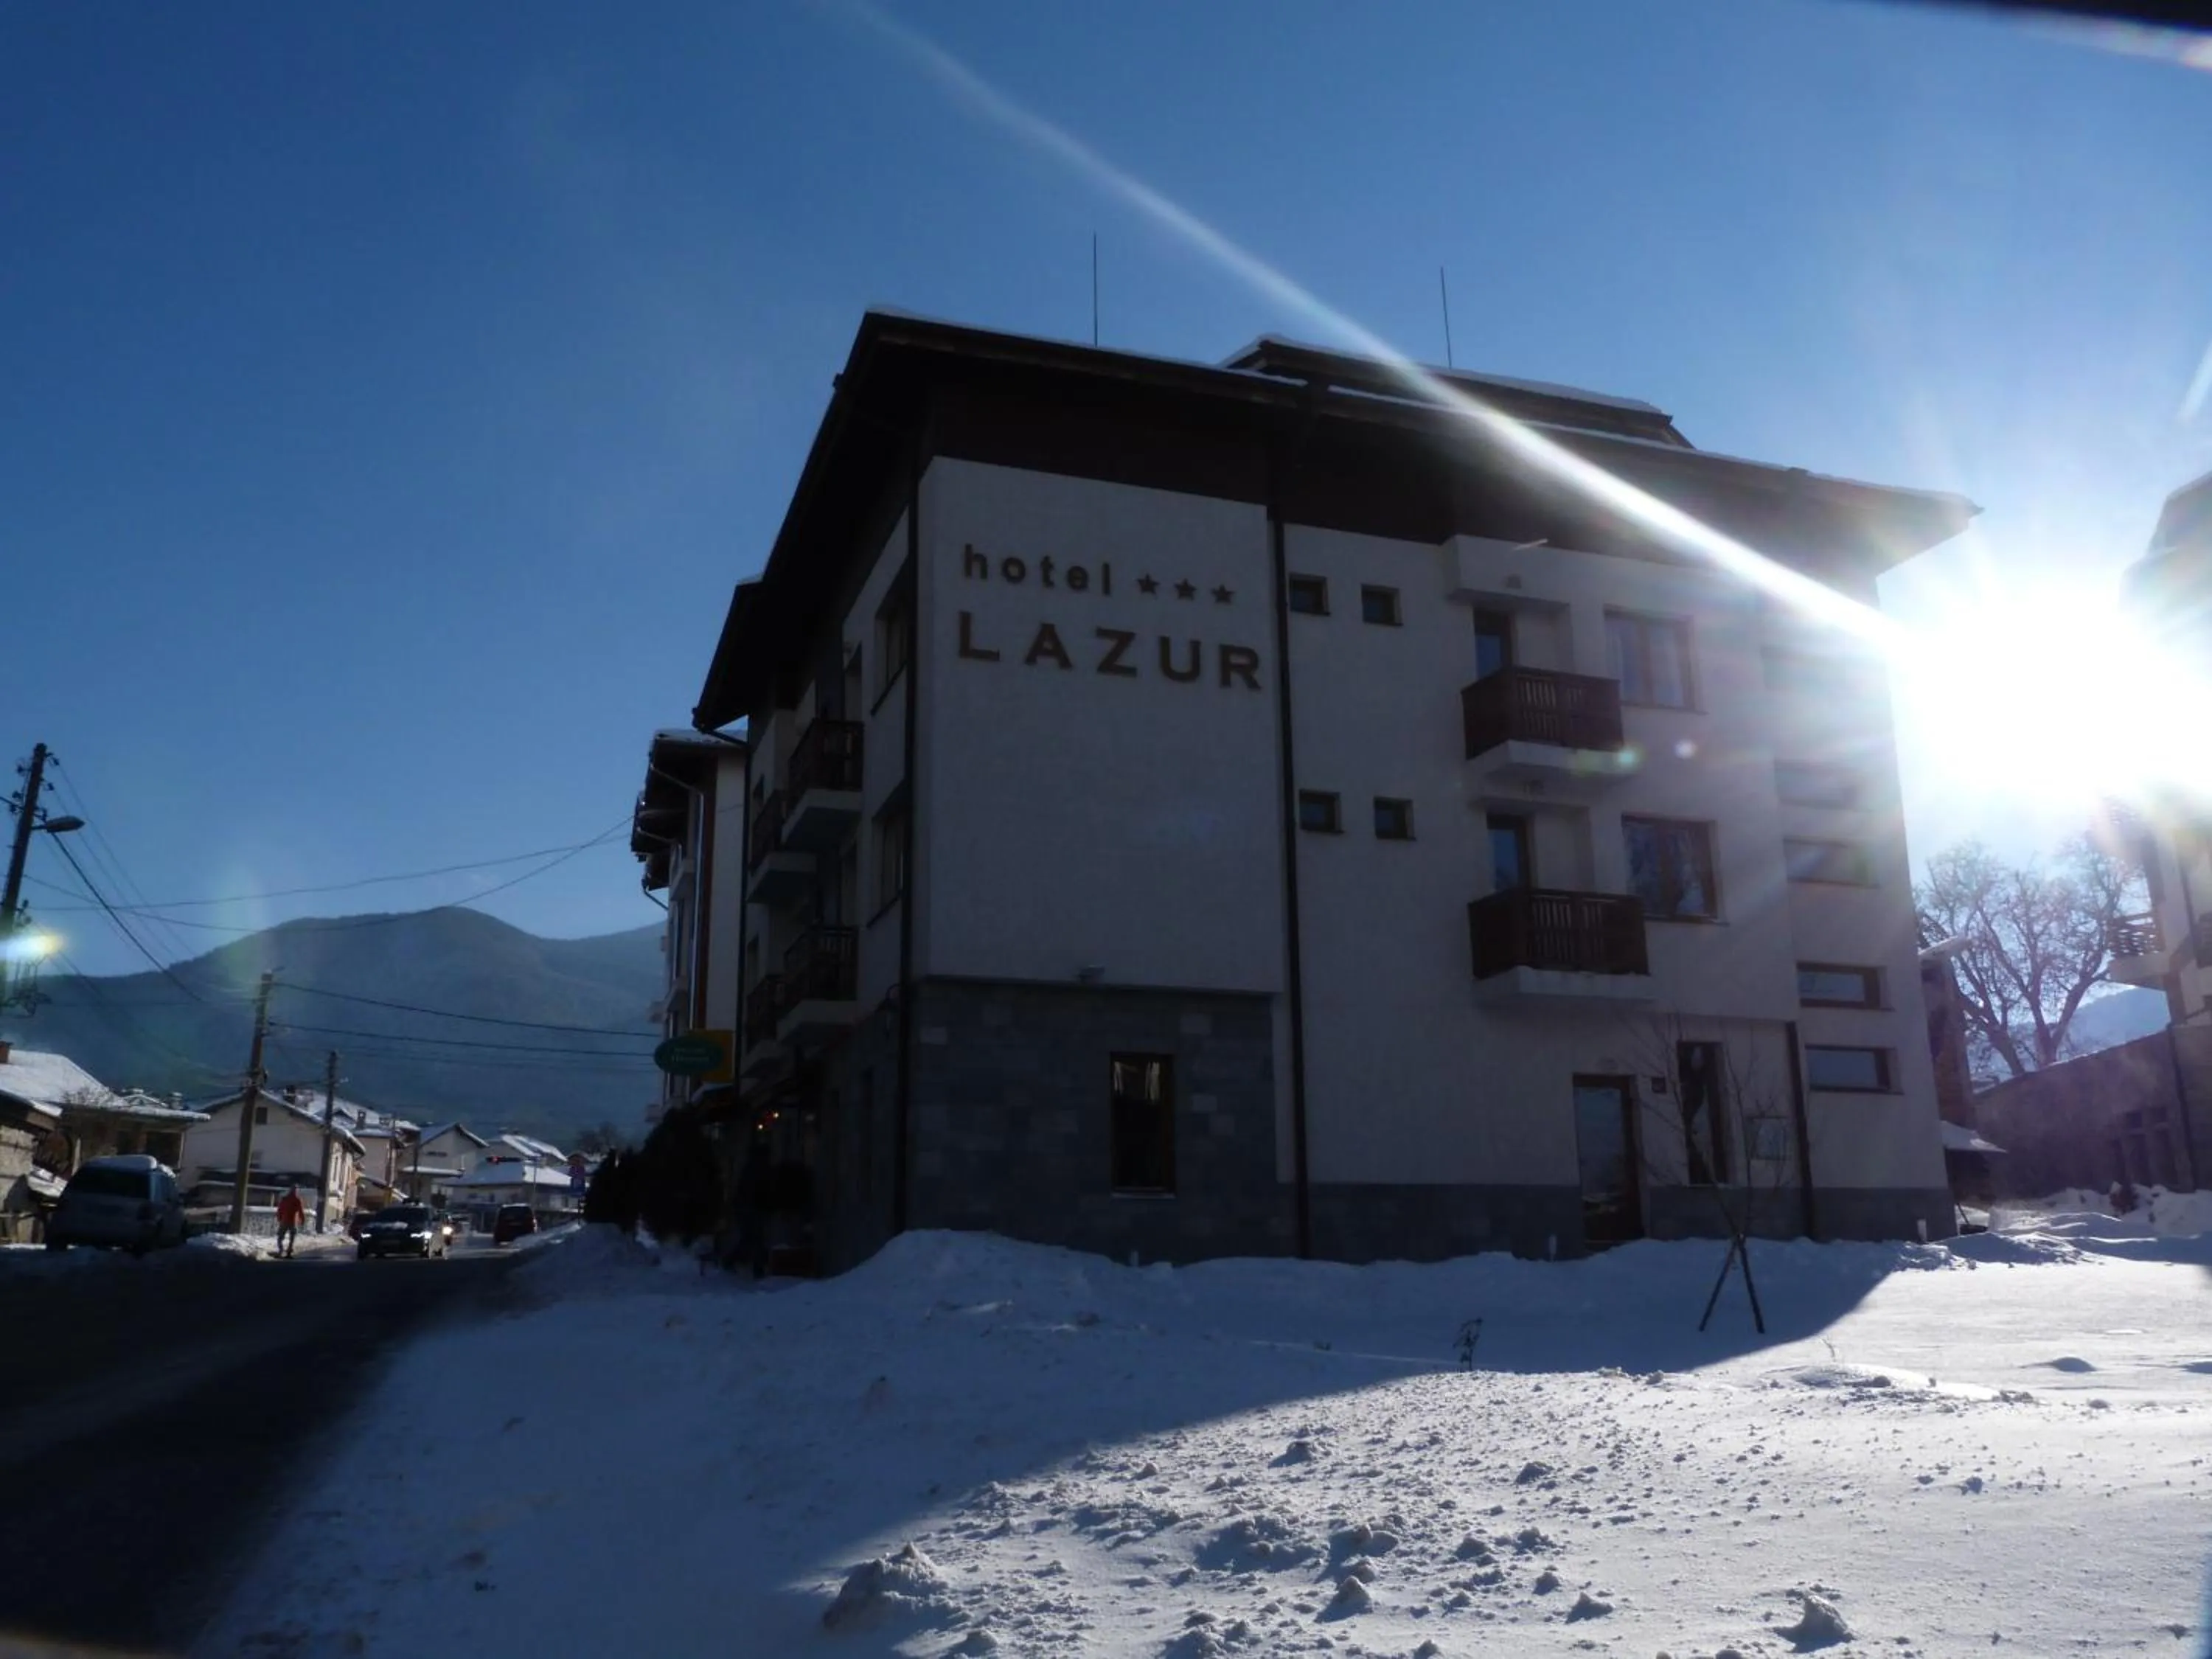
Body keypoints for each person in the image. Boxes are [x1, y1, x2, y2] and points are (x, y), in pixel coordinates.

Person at [275, 1185, 305, 1258]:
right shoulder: (297, 1200)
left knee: (280, 1237)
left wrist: (279, 1218)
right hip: (293, 1222)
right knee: (292, 1238)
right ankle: (288, 1252)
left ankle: (281, 1250)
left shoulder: (285, 1199)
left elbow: (280, 1210)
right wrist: (302, 1220)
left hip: (285, 1221)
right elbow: (301, 1211)